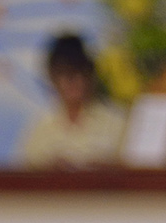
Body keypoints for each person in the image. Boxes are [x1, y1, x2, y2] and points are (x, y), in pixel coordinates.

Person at [14, 32, 127, 168]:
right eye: (64, 73)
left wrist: (105, 170)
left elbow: (137, 174)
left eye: (80, 71)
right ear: (53, 78)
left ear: (91, 74)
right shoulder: (39, 128)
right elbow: (21, 177)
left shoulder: (118, 123)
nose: (73, 81)